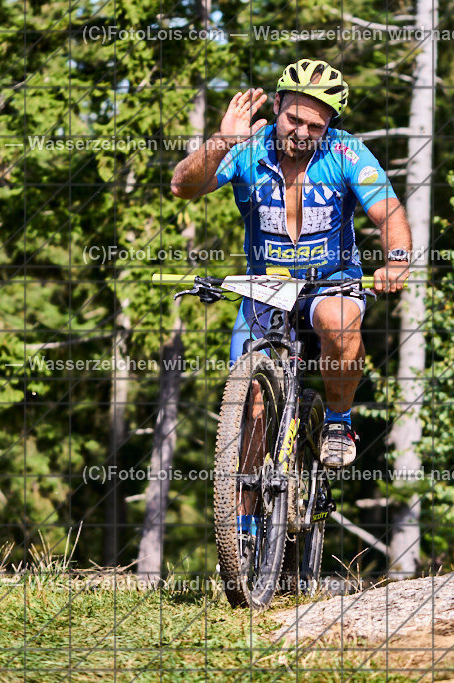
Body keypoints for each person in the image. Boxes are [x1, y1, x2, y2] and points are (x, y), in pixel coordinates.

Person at [171, 58, 412, 469]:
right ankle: (244, 527)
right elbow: (183, 187)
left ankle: (338, 421)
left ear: (330, 125)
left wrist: (397, 260)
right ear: (277, 104)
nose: (301, 134)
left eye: (315, 127)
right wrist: (221, 142)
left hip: (330, 282)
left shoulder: (346, 151)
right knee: (249, 412)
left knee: (339, 321)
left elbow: (388, 212)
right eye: (294, 119)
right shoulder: (247, 147)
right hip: (265, 285)